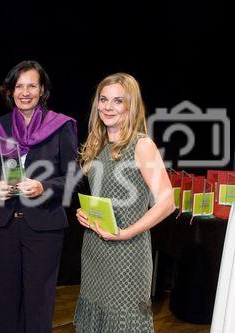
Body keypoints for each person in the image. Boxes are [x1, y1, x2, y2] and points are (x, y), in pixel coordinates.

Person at [0, 60, 79, 333]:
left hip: (45, 226)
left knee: (39, 300)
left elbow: (74, 177)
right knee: (2, 299)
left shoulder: (61, 126)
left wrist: (43, 187)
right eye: (19, 86)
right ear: (10, 91)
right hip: (3, 225)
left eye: (32, 85)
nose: (25, 92)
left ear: (42, 90)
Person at [74, 73, 175, 332]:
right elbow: (103, 197)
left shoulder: (141, 145)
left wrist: (124, 233)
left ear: (130, 106)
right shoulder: (97, 144)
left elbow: (167, 202)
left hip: (128, 253)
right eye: (103, 99)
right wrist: (85, 214)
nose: (108, 107)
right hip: (94, 249)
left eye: (118, 101)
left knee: (123, 322)